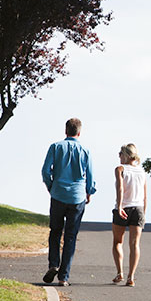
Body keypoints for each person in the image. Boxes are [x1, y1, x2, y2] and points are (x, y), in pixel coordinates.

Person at [41, 118, 95, 286]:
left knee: (55, 231)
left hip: (58, 195)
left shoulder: (55, 147)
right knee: (70, 237)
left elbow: (45, 170)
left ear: (66, 131)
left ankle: (53, 264)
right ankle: (64, 276)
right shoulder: (85, 151)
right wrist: (89, 192)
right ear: (79, 132)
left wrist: (51, 186)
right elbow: (90, 176)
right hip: (77, 197)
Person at [111, 143, 147, 287]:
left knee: (117, 242)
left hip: (124, 207)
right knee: (134, 244)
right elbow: (145, 196)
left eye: (120, 153)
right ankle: (131, 276)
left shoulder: (120, 169)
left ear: (125, 155)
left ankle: (120, 272)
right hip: (138, 208)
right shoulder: (142, 172)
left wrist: (119, 207)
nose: (119, 156)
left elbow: (120, 188)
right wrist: (144, 213)